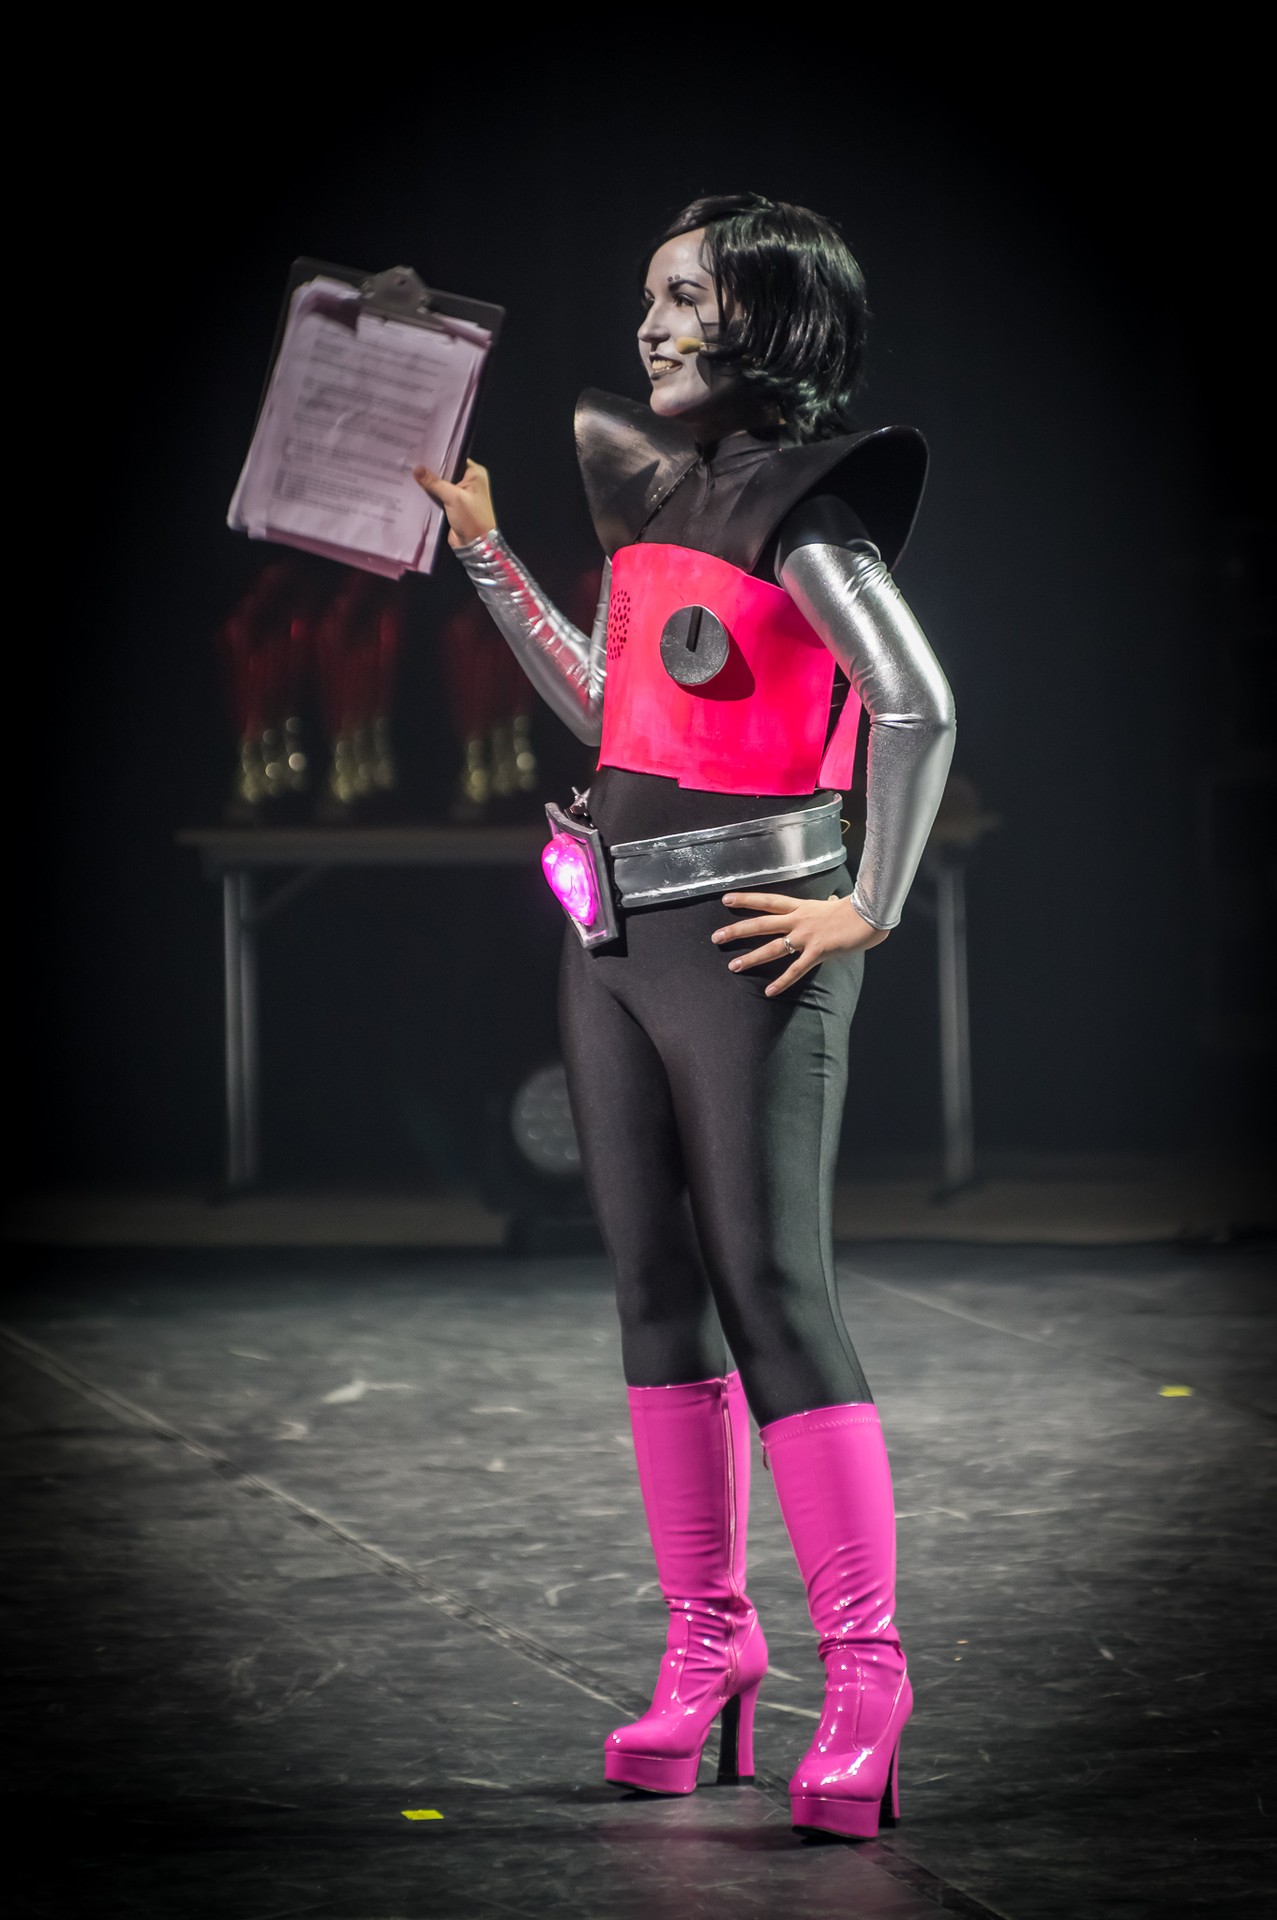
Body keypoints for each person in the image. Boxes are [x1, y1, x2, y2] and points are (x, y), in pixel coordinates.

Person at [416, 192, 955, 1842]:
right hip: (609, 931)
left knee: (769, 1290)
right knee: (653, 1290)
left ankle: (864, 1680)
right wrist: (488, 553)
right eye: (649, 297)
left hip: (745, 941)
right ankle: (708, 1650)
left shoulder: (806, 507)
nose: (649, 326)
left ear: (767, 322)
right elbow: (612, 703)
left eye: (684, 298)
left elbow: (916, 701)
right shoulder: (659, 495)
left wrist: (866, 901)